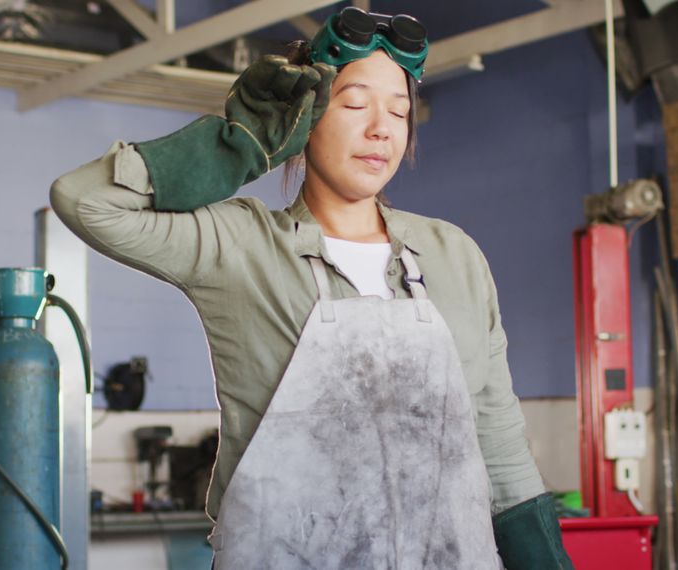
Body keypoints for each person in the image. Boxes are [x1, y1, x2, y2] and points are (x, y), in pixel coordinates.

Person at [51, 7, 571, 568]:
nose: (381, 129)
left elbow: (498, 436)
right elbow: (85, 200)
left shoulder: (454, 255)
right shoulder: (241, 246)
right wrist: (240, 145)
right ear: (306, 118)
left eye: (399, 112)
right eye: (353, 105)